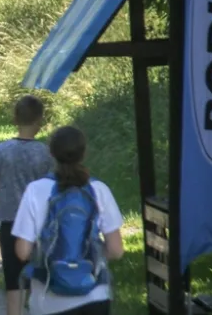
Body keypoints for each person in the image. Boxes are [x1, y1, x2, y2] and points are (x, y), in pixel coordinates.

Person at [13, 126, 125, 315]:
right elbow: (116, 250)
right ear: (84, 153)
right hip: (94, 296)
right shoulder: (99, 190)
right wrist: (90, 255)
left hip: (48, 299)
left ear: (51, 153)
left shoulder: (35, 190)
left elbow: (22, 252)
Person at [0, 95, 53, 315]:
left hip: (10, 223)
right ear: (40, 121)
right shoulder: (45, 153)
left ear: (14, 119)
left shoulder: (0, 151)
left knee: (13, 281)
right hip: (39, 224)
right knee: (39, 277)